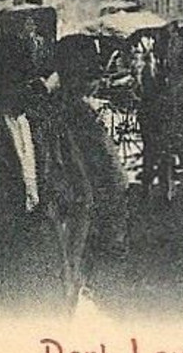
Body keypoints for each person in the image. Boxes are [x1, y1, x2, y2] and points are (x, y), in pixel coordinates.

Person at [0, 34, 91, 313]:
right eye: (24, 83)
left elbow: (51, 175)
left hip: (39, 232)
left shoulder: (36, 122)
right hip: (4, 239)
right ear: (3, 85)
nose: (32, 89)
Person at [53, 36, 128, 267]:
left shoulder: (69, 107)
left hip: (88, 203)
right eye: (90, 79)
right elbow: (107, 167)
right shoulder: (74, 112)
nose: (95, 85)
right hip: (85, 203)